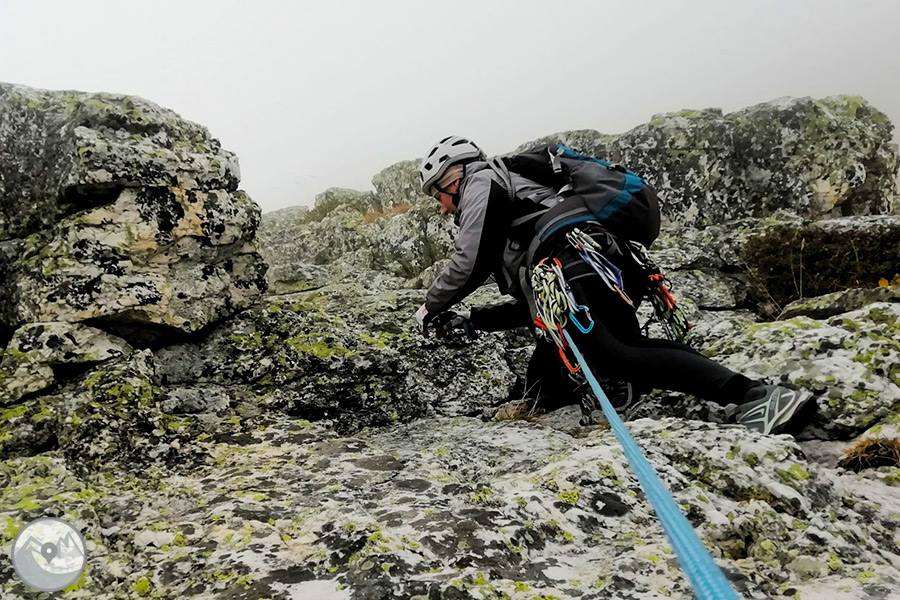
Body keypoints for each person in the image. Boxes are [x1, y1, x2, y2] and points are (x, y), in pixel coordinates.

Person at [414, 136, 810, 435]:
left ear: (454, 178)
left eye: (439, 196)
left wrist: (431, 306)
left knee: (614, 353)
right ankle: (609, 391)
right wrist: (475, 319)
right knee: (564, 361)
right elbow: (540, 306)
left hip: (577, 262)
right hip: (597, 264)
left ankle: (755, 395)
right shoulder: (515, 214)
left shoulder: (482, 179)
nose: (443, 209)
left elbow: (470, 261)